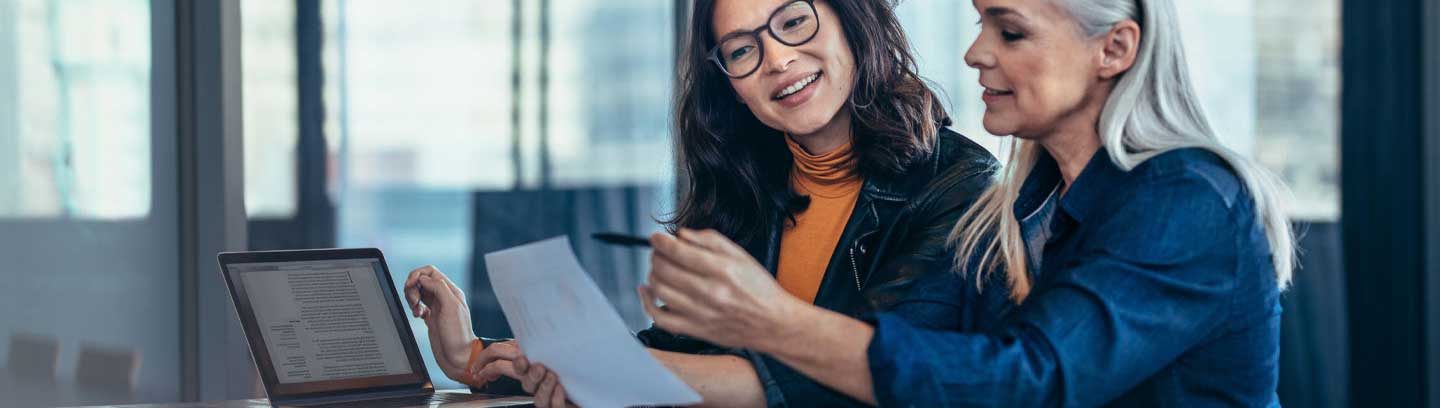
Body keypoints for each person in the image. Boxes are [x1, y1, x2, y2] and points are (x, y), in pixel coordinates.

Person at [639, 0, 1297, 405]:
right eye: (982, 23)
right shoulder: (1019, 208)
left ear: (1114, 49)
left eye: (1009, 32)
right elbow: (938, 372)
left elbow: (1026, 383)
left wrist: (773, 321)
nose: (975, 52)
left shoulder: (1186, 199)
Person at [404, 0, 999, 406]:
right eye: (742, 51)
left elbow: (861, 376)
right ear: (731, 86)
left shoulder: (962, 186)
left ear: (851, 19)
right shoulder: (749, 186)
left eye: (794, 20)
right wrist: (476, 356)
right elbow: (683, 356)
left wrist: (599, 372)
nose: (778, 60)